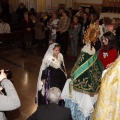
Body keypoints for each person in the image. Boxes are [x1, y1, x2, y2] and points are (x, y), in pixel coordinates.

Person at [61, 23, 104, 120]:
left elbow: (79, 64)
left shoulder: (85, 51)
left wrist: (74, 73)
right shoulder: (92, 51)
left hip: (83, 83)